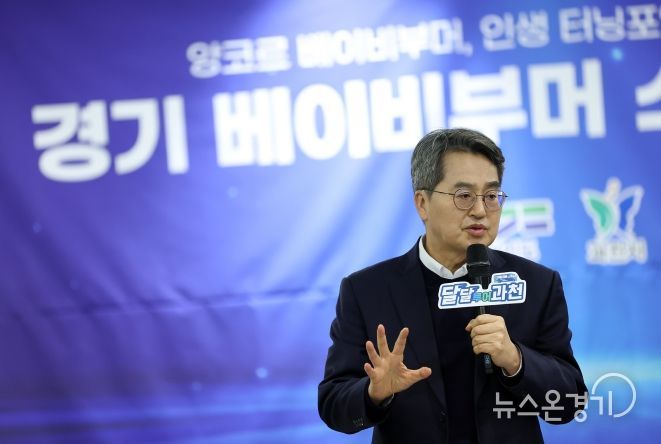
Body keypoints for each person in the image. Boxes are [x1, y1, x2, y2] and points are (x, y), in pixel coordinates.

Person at [318, 128, 587, 444]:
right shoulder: (367, 291)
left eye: (491, 196)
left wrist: (516, 360)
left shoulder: (536, 284)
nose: (480, 210)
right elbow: (333, 404)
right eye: (464, 196)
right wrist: (374, 393)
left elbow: (569, 403)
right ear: (422, 203)